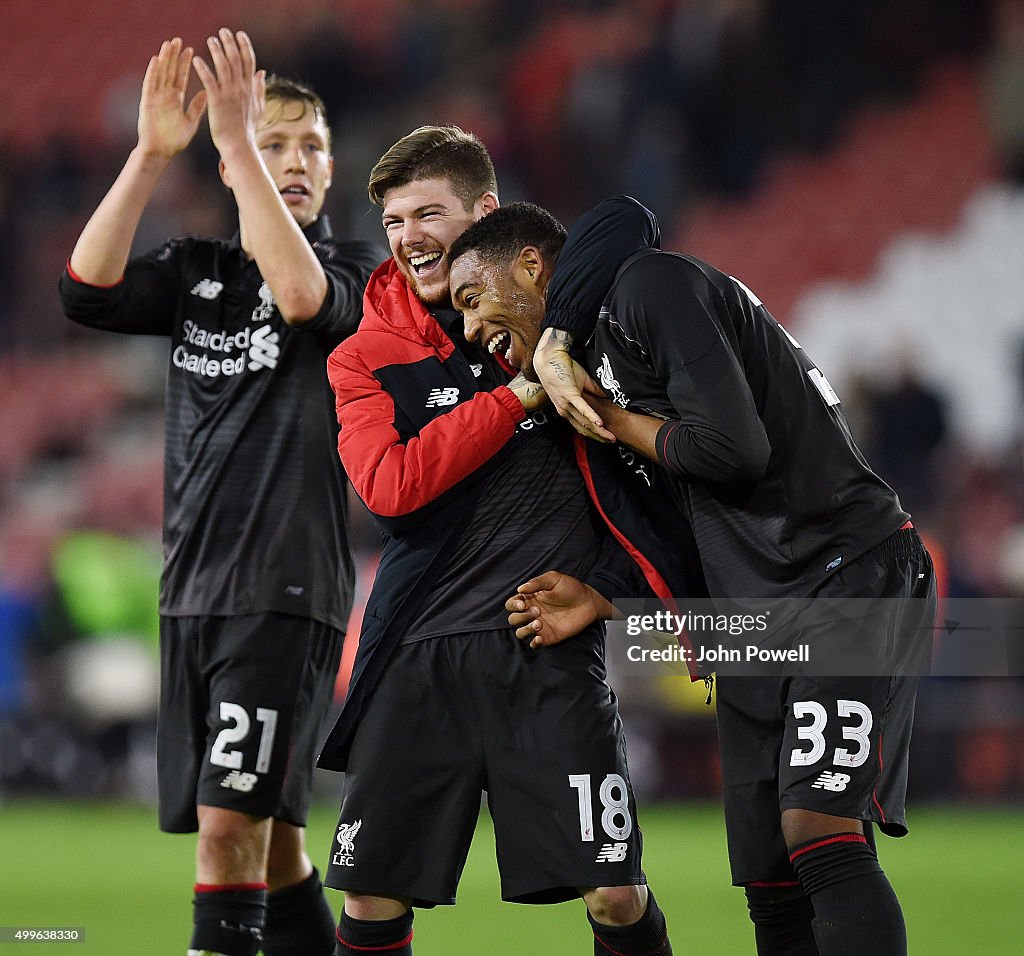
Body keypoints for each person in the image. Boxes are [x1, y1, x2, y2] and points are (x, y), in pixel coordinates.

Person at [446, 198, 938, 956]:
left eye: (474, 299)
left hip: (841, 567)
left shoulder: (650, 289)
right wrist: (605, 595)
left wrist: (606, 411)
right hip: (754, 608)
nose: (471, 330)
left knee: (819, 833)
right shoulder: (588, 363)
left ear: (534, 267)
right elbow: (671, 525)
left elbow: (731, 449)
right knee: (771, 879)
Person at [58, 31, 383, 956]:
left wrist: (237, 150)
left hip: (283, 592)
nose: (297, 161)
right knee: (274, 846)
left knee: (226, 831)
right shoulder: (197, 274)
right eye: (275, 142)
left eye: (311, 147)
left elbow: (302, 299)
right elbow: (85, 290)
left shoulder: (365, 274)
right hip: (192, 590)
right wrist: (151, 152)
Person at [314, 127, 673, 956]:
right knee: (369, 899)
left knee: (617, 892)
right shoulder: (365, 357)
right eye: (395, 220)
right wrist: (521, 392)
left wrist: (552, 341)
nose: (407, 237)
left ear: (484, 212)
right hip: (417, 653)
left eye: (428, 212)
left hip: (543, 649)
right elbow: (390, 488)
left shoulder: (547, 308)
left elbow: (631, 219)